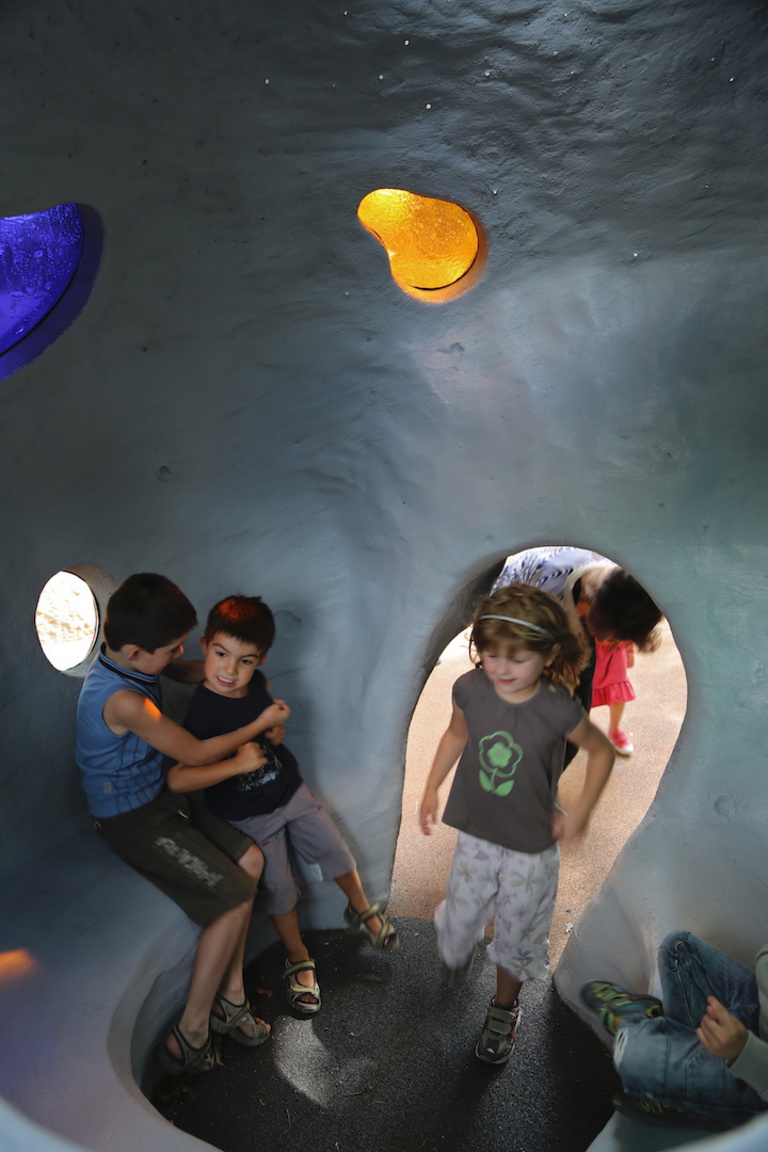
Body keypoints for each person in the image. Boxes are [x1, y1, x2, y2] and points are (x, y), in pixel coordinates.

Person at [76, 573, 289, 1076]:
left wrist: (232, 674)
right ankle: (190, 1033)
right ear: (135, 651)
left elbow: (189, 671)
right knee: (234, 897)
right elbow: (192, 752)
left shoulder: (133, 658)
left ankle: (230, 998)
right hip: (130, 819)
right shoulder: (122, 699)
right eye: (173, 648)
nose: (179, 654)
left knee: (251, 859)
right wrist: (255, 729)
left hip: (161, 796)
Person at [169, 594, 399, 1016]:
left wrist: (275, 733)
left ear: (260, 660)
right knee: (278, 888)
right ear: (204, 647)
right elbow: (188, 769)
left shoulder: (258, 684)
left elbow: (269, 726)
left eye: (245, 661)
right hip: (248, 817)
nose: (230, 670)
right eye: (221, 654)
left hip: (289, 789)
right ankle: (297, 957)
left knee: (334, 848)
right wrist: (246, 747)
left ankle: (361, 908)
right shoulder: (202, 710)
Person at [419, 582, 615, 1065]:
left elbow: (601, 750)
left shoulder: (557, 706)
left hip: (531, 845)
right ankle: (460, 934)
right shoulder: (469, 688)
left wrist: (582, 812)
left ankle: (503, 1008)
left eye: (517, 658)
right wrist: (431, 786)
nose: (501, 668)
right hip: (476, 835)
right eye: (491, 654)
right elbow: (455, 734)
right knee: (459, 925)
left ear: (549, 655)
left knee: (516, 932)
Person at [582, 931, 768, 1130]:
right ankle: (661, 1046)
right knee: (678, 949)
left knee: (630, 1054)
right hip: (761, 1015)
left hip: (759, 1078)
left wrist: (744, 1052)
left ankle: (675, 1100)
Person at [492, 546, 662, 762]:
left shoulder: (617, 587)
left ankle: (553, 769)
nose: (610, 643)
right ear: (590, 602)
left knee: (574, 725)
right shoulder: (548, 587)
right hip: (520, 625)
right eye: (610, 638)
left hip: (569, 617)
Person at [592, 638, 636, 756]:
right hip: (588, 648)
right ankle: (584, 724)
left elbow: (629, 627)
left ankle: (614, 730)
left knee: (618, 692)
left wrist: (629, 648)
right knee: (584, 692)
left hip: (616, 649)